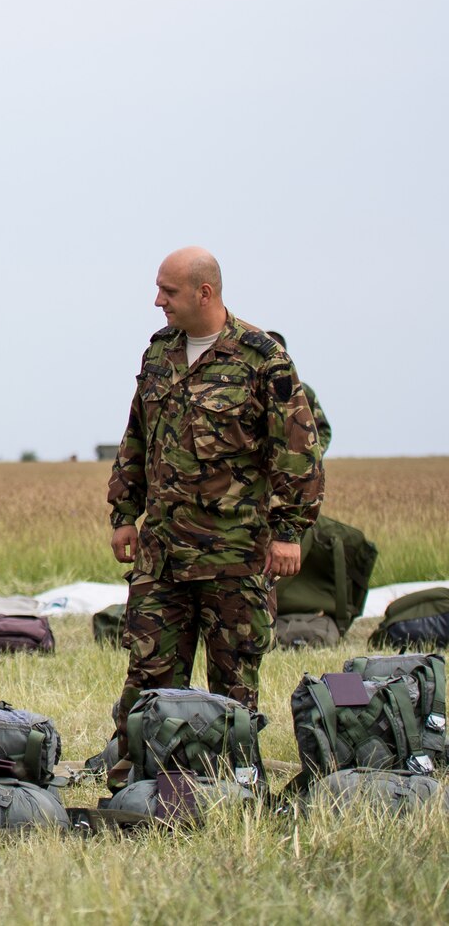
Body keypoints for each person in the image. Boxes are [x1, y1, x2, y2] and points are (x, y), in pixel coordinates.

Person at [105, 246, 323, 786]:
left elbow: (297, 449)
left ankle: (235, 781)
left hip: (234, 553)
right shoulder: (159, 353)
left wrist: (290, 531)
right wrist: (124, 512)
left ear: (205, 292)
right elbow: (137, 437)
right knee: (148, 674)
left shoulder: (261, 357)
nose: (158, 301)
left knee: (234, 682)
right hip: (162, 553)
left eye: (169, 291)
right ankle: (141, 776)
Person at [268, 332, 332, 462]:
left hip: (296, 471)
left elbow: (323, 430)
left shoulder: (303, 391)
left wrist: (312, 456)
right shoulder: (246, 391)